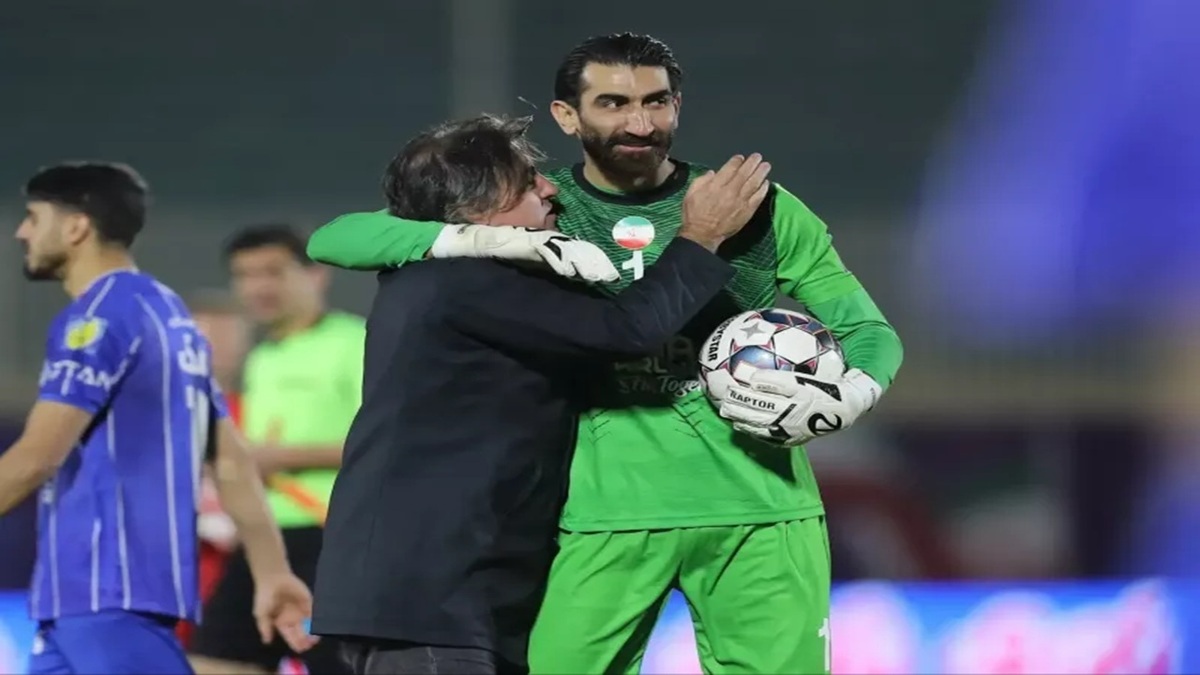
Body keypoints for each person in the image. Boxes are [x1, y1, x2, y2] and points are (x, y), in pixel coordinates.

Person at [307, 33, 904, 674]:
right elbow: (340, 237)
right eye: (614, 103)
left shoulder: (751, 207)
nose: (640, 124)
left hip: (760, 508)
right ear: (568, 116)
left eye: (656, 102)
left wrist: (855, 391)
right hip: (600, 515)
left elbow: (868, 330)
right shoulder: (537, 210)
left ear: (678, 106)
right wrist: (483, 240)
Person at [310, 113, 771, 675]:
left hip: (409, 599)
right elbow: (626, 332)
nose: (551, 189)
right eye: (528, 183)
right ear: (476, 210)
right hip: (434, 603)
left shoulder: (426, 274)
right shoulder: (470, 282)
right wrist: (701, 236)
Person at [0, 162, 315, 674]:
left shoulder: (96, 318)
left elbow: (37, 457)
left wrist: (272, 571)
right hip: (79, 602)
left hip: (104, 591)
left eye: (34, 217)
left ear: (76, 227)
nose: (22, 232)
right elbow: (231, 459)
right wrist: (272, 570)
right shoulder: (169, 316)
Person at [189, 225, 362, 674]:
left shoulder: (355, 342)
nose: (257, 287)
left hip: (330, 536)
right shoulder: (263, 358)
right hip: (263, 539)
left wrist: (279, 458)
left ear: (316, 275)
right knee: (212, 661)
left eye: (272, 272)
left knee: (337, 666)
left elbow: (391, 441)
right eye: (244, 275)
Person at [175, 290, 251, 650]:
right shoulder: (156, 416)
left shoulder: (258, 410)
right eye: (208, 336)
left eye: (226, 336)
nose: (217, 347)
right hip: (176, 576)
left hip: (243, 574)